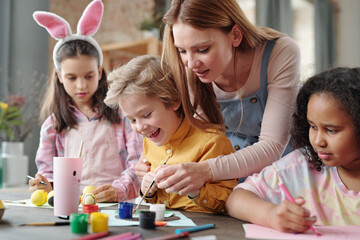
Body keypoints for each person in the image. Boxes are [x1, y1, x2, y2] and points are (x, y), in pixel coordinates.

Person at [135, 0, 301, 195]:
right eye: (182, 50)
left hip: (286, 175)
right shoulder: (188, 70)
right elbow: (193, 137)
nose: (190, 63)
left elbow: (272, 146)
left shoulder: (280, 52)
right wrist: (152, 161)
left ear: (235, 35)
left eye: (203, 49)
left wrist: (205, 170)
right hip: (226, 180)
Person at [28, 0, 143, 203]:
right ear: (60, 76)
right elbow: (47, 174)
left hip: (115, 206)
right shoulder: (52, 126)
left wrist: (119, 189)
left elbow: (138, 163)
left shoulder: (123, 115)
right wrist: (44, 185)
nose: (81, 86)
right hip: (72, 207)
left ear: (99, 72)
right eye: (72, 78)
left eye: (89, 76)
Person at [226, 67, 360, 232]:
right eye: (313, 126)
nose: (318, 141)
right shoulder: (303, 164)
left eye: (331, 130)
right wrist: (271, 215)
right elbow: (236, 199)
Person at [104, 55, 238, 213]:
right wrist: (147, 190)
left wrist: (196, 190)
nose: (139, 127)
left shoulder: (212, 143)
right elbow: (155, 198)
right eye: (132, 120)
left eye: (146, 115)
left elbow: (228, 200)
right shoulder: (150, 142)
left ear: (174, 100)